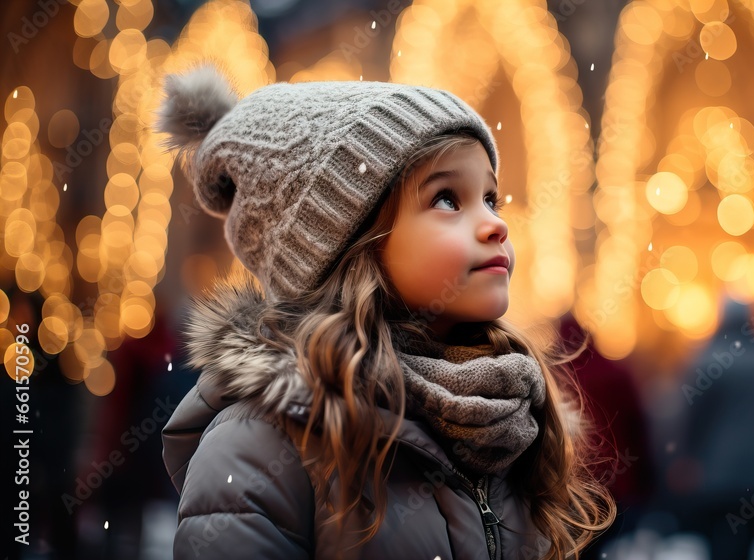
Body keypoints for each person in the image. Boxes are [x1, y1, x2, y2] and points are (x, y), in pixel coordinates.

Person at [156, 66, 615, 559]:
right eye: (446, 198)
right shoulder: (260, 446)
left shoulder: (507, 426)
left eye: (489, 198)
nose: (495, 225)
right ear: (351, 246)